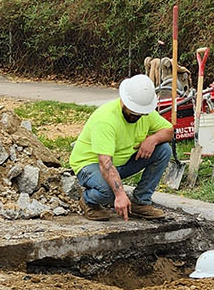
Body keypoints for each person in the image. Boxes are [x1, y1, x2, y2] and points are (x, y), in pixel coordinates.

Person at [68, 74, 175, 221]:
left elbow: (169, 131)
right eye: (133, 112)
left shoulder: (146, 114)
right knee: (109, 194)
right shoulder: (106, 120)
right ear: (124, 101)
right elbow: (105, 164)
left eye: (140, 113)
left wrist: (154, 139)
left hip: (121, 163)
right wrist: (119, 194)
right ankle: (88, 201)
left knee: (163, 150)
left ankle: (141, 203)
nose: (137, 116)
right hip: (90, 164)